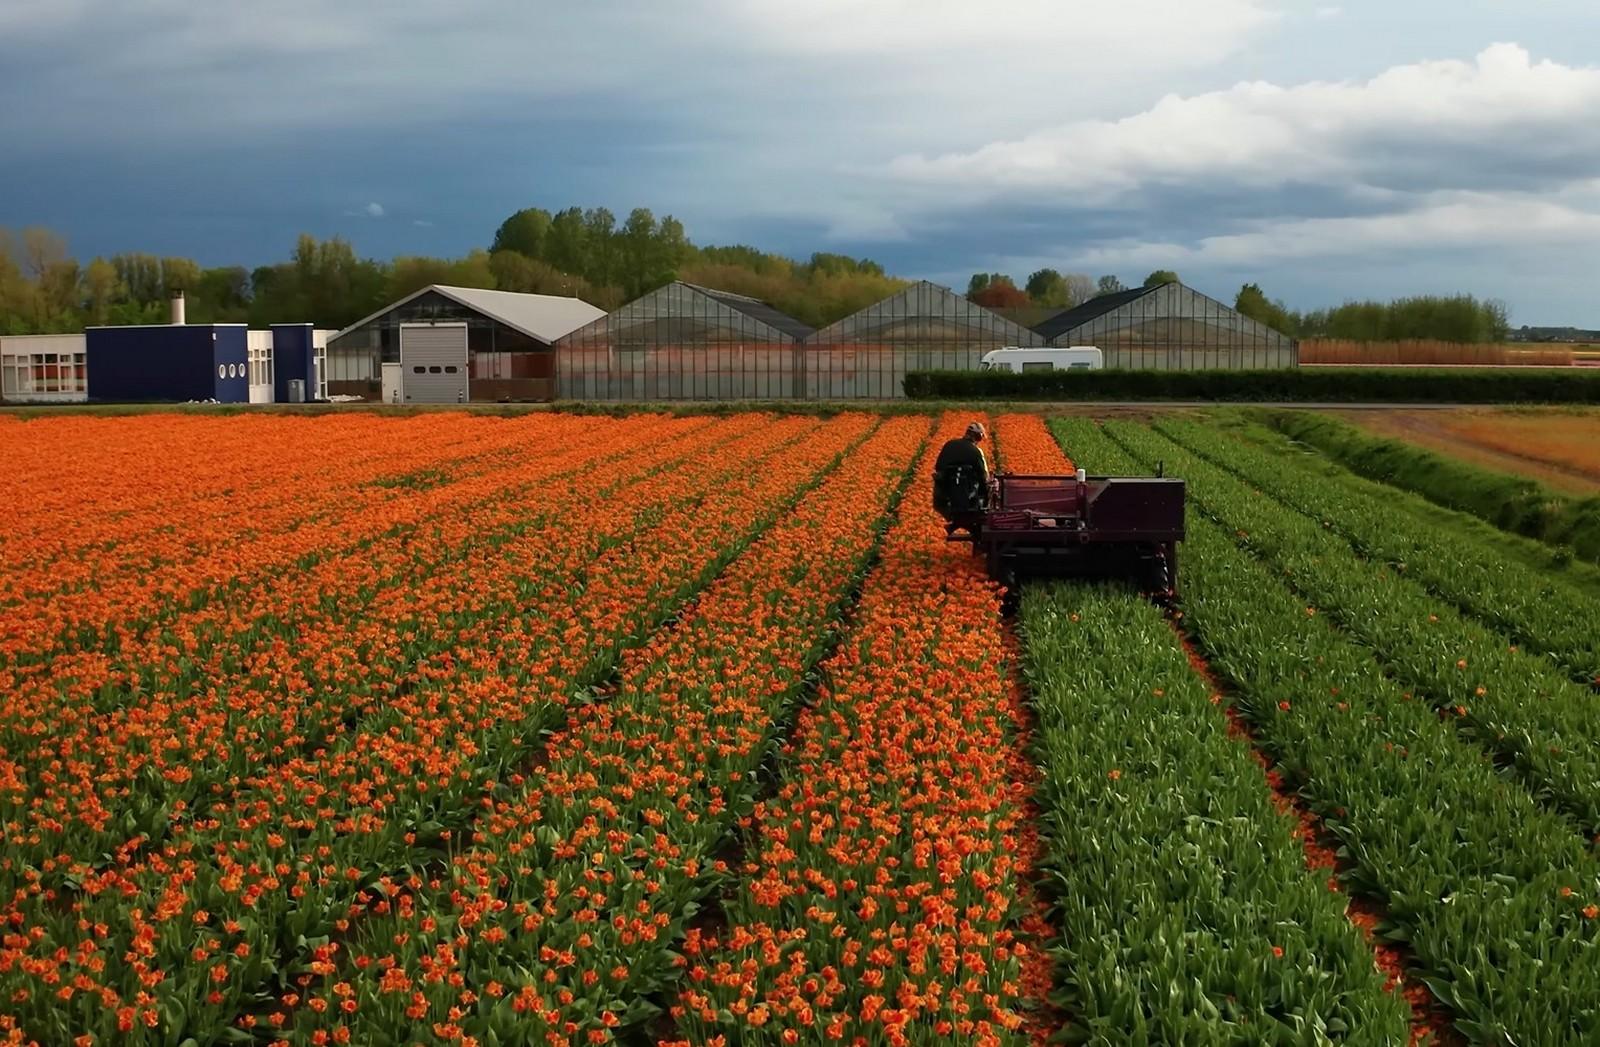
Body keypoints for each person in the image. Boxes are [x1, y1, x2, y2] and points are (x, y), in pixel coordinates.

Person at [932, 422, 990, 527]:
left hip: (946, 492)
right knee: (984, 487)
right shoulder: (975, 451)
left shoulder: (949, 445)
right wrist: (985, 493)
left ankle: (950, 515)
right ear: (977, 436)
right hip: (968, 493)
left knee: (939, 495)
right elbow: (982, 474)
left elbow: (939, 466)